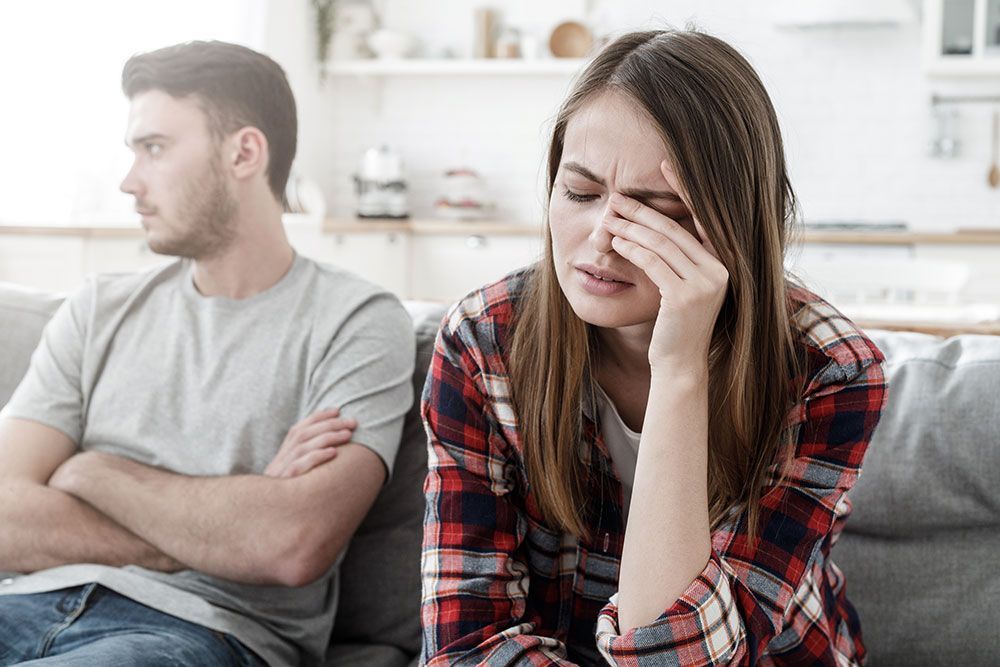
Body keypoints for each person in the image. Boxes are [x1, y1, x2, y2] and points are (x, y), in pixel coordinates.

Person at [420, 29, 886, 666]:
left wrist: (679, 370)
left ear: (734, 224)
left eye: (657, 212)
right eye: (580, 193)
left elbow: (688, 660)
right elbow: (465, 645)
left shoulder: (828, 369)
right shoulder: (482, 341)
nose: (602, 241)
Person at [0, 41, 415, 666]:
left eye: (156, 148)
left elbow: (289, 544)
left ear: (243, 152)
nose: (129, 180)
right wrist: (217, 527)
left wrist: (93, 471)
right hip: (26, 603)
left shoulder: (357, 320)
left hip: (198, 632)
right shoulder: (96, 309)